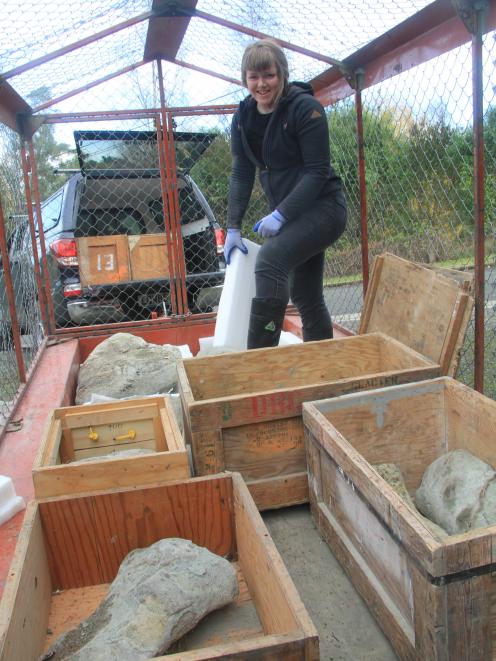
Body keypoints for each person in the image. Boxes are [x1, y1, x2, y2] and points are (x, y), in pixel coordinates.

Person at [224, 39, 347, 349]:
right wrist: (233, 227)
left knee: (270, 260)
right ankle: (323, 367)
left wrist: (281, 214)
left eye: (269, 75)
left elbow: (317, 171)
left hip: (325, 209)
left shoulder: (306, 109)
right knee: (306, 294)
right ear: (245, 79)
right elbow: (241, 171)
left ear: (282, 74)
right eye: (254, 77)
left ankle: (261, 362)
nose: (261, 84)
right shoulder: (243, 119)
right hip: (294, 216)